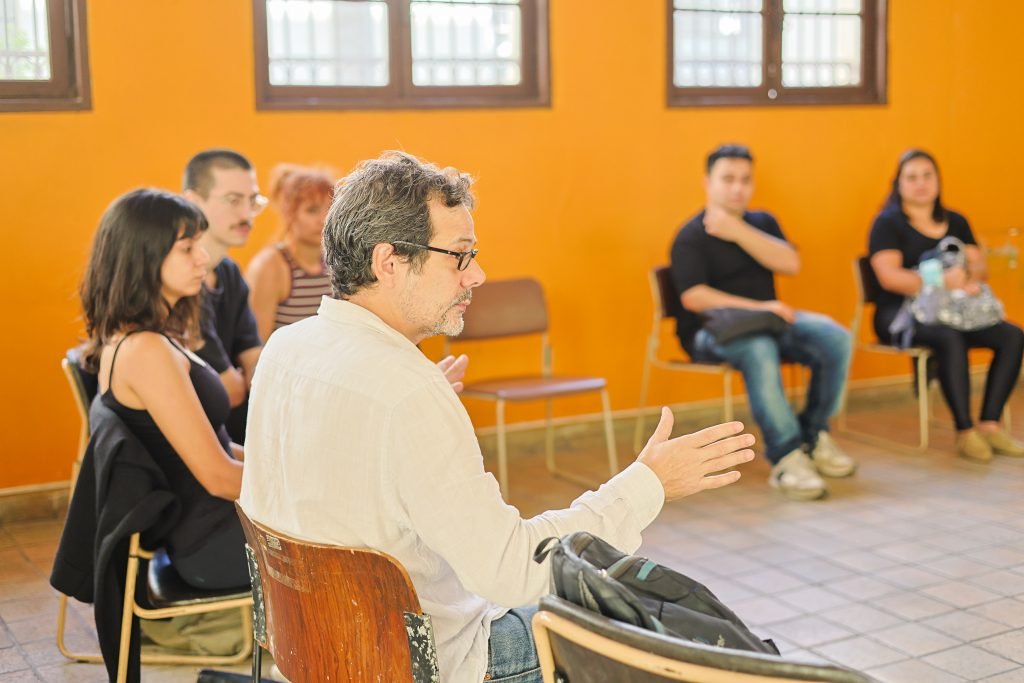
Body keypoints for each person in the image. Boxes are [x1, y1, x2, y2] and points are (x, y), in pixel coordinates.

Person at [239, 151, 756, 683]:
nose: (477, 275)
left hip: (314, 653)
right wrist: (649, 484)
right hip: (422, 663)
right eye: (459, 256)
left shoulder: (286, 348)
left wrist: (405, 410)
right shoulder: (404, 392)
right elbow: (514, 571)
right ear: (388, 262)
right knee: (667, 632)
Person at [79, 188, 248, 590]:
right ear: (144, 256)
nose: (203, 259)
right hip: (216, 543)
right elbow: (220, 478)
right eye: (187, 248)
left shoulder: (151, 337)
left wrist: (286, 463)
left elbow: (221, 447)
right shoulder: (145, 352)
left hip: (221, 527)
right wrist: (309, 484)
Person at [669, 144, 855, 501]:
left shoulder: (762, 222)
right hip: (713, 332)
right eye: (728, 179)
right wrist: (759, 307)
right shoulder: (690, 236)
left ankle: (814, 436)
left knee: (835, 337)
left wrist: (737, 231)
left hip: (769, 321)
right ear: (708, 182)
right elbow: (694, 297)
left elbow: (790, 263)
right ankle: (786, 456)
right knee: (759, 348)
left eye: (745, 180)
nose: (737, 188)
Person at [868, 149, 1024, 462]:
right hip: (902, 313)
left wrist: (966, 275)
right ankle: (965, 431)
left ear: (938, 181)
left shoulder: (956, 221)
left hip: (957, 311)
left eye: (927, 176)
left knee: (1012, 335)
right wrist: (938, 281)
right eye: (912, 177)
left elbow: (980, 267)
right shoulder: (887, 224)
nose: (921, 184)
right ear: (898, 184)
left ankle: (990, 424)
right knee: (948, 338)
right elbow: (889, 277)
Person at [182, 149, 264, 443]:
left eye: (252, 201)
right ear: (193, 202)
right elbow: (229, 390)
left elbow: (253, 355)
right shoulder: (176, 283)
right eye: (233, 200)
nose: (246, 214)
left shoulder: (229, 273)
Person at [246, 163, 335, 342]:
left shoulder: (335, 263)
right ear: (289, 213)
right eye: (312, 210)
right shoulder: (271, 266)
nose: (324, 219)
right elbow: (255, 346)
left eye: (331, 209)